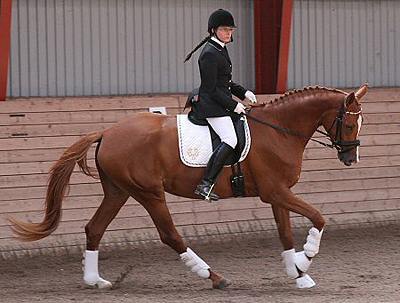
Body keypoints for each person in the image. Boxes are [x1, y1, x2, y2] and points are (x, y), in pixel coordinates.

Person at [184, 9, 257, 201]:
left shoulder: (220, 49)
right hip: (211, 105)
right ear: (214, 30)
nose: (228, 33)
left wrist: (244, 92)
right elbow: (211, 89)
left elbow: (226, 83)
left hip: (220, 102)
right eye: (225, 30)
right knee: (230, 139)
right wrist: (234, 105)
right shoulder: (209, 53)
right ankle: (206, 184)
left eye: (230, 30)